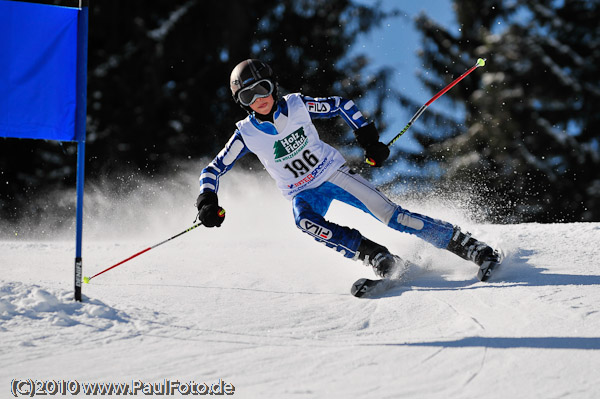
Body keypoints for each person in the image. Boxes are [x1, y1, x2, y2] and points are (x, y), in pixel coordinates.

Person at [196, 59, 499, 279]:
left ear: (273, 86)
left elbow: (341, 105)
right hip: (302, 192)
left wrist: (369, 139)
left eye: (262, 89)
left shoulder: (298, 105)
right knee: (305, 221)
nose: (259, 99)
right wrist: (208, 200)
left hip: (333, 174)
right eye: (248, 96)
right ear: (242, 103)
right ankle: (376, 255)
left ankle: (467, 245)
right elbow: (213, 170)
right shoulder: (246, 134)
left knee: (393, 216)